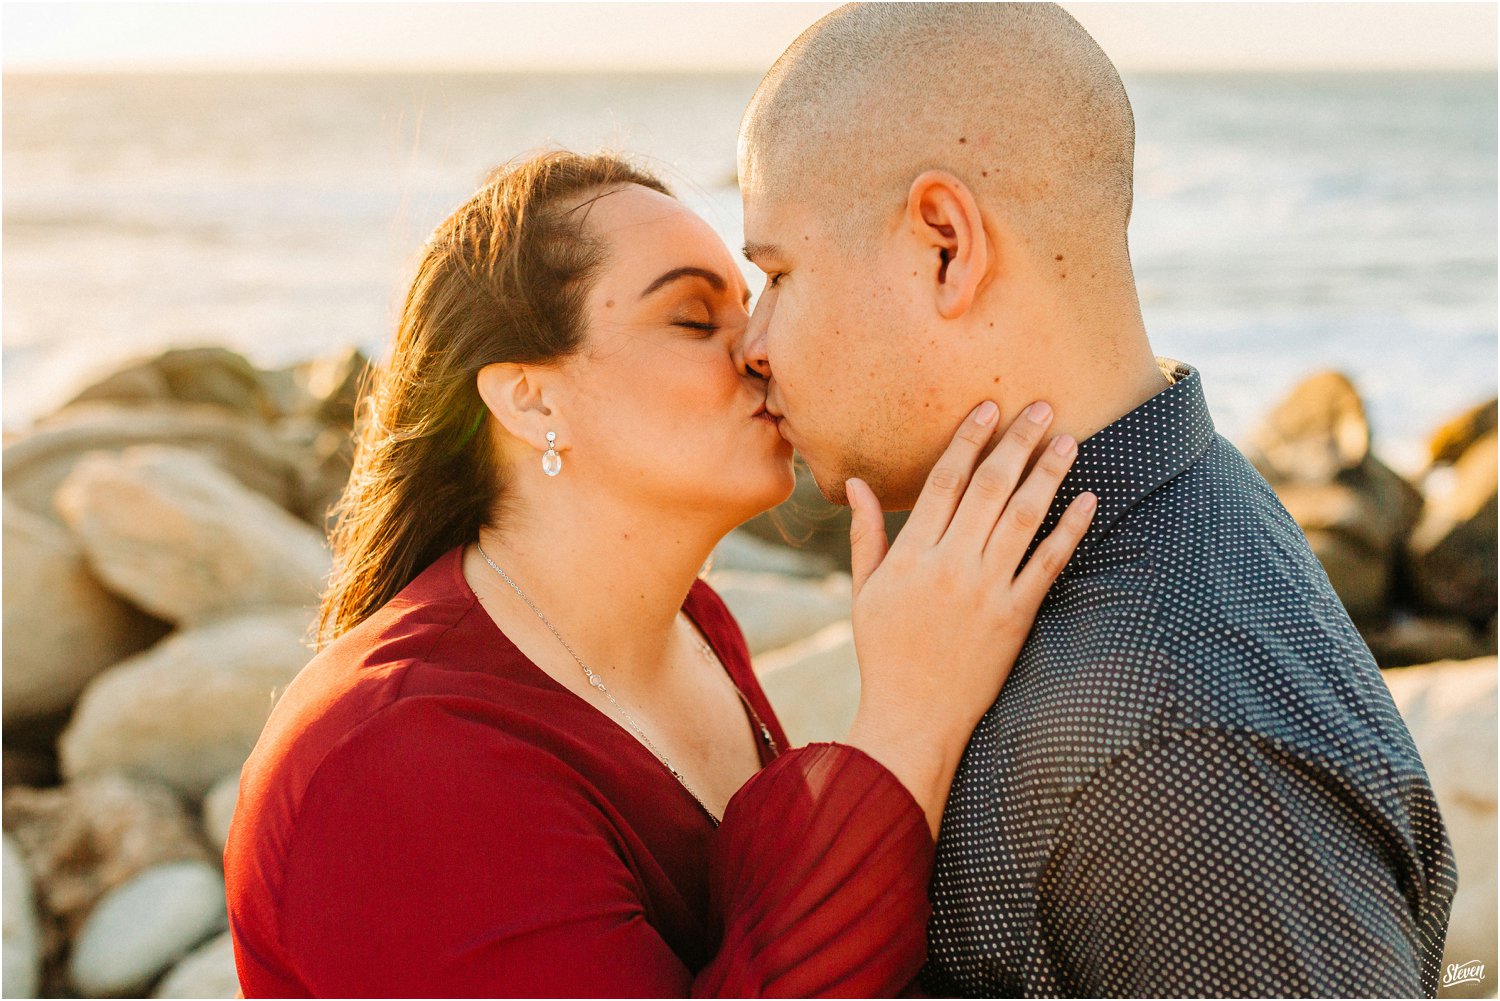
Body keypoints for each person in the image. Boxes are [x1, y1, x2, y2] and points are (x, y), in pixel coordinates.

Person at [222, 151, 1098, 996]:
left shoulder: (696, 626)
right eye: (693, 318)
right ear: (531, 399)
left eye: (758, 305)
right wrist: (912, 721)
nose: (761, 346)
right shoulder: (394, 760)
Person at [735, 3, 1458, 997]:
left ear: (944, 244)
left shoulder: (1170, 749)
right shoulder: (1172, 512)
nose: (753, 341)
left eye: (776, 271)